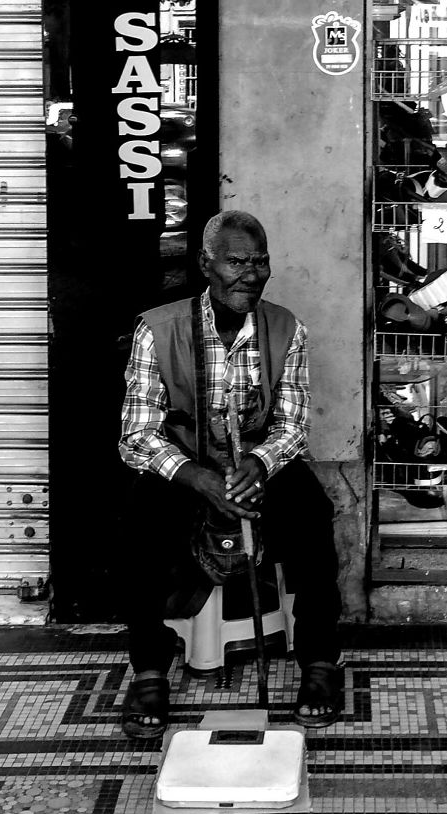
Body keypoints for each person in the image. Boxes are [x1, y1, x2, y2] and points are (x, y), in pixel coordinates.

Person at [118, 210, 343, 740]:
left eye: (260, 261)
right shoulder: (158, 328)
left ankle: (319, 663)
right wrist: (197, 477)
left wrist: (260, 464)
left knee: (314, 514)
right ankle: (148, 669)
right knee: (137, 521)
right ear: (206, 264)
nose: (251, 273)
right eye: (236, 261)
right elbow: (136, 435)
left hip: (254, 468)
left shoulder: (288, 327)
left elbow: (292, 424)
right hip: (187, 468)